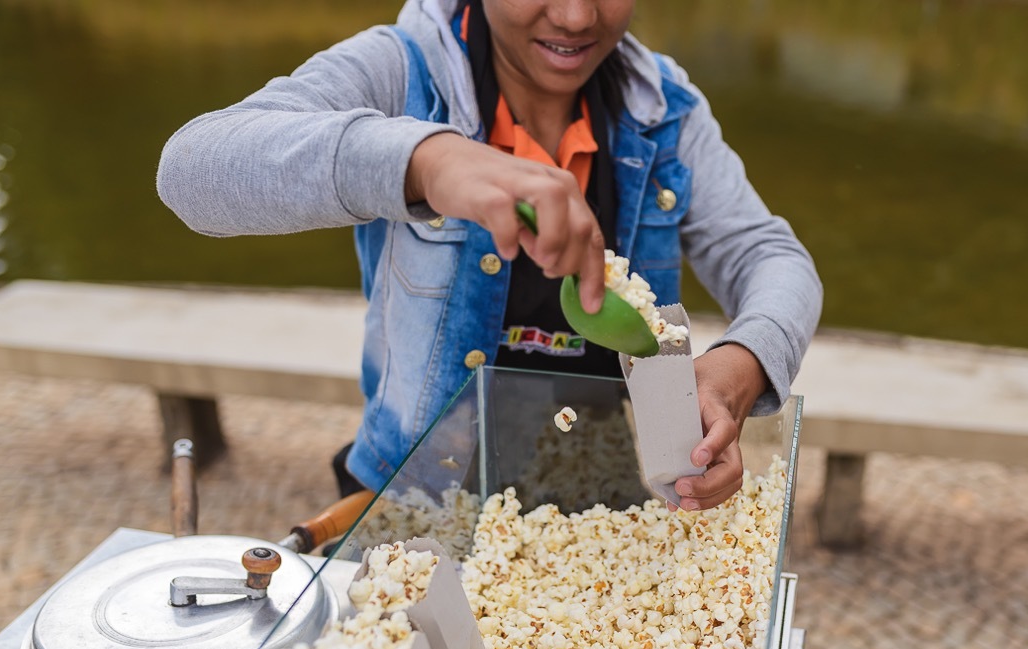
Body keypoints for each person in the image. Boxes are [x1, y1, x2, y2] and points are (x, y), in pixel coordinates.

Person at [156, 0, 822, 512]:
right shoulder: (400, 74)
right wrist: (425, 159)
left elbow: (769, 255)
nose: (575, 17)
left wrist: (740, 369)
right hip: (413, 497)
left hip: (603, 502)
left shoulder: (665, 111)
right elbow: (192, 170)